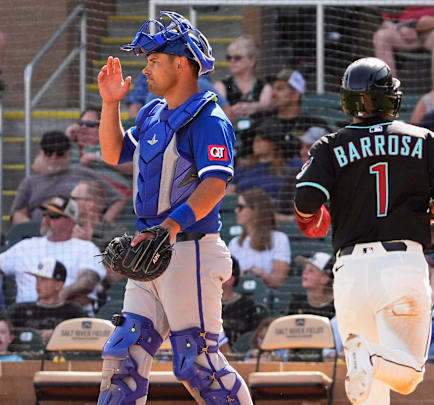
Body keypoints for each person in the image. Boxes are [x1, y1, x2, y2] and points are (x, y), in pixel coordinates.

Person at [95, 11, 252, 404]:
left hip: (190, 249)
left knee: (198, 364)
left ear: (181, 64)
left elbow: (215, 184)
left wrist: (170, 226)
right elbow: (113, 152)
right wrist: (110, 104)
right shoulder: (151, 113)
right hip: (150, 249)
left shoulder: (208, 119)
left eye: (154, 61)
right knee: (122, 357)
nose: (145, 70)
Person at [294, 57, 434, 405]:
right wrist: (429, 213)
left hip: (351, 271)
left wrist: (316, 216)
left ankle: (367, 356)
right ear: (392, 98)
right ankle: (369, 355)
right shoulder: (423, 138)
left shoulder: (330, 144)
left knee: (370, 394)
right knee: (408, 372)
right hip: (401, 265)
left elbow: (306, 201)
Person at [0, 196, 105, 313]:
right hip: (24, 319)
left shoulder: (86, 248)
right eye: (45, 214)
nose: (46, 219)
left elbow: (88, 280)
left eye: (54, 216)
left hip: (68, 317)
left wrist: (59, 296)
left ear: (71, 221)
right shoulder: (25, 246)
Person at [11, 131, 125, 224]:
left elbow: (118, 199)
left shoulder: (84, 174)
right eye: (49, 152)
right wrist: (31, 231)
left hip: (78, 236)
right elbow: (18, 213)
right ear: (42, 154)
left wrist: (101, 226)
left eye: (60, 153)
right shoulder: (30, 182)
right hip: (39, 237)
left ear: (69, 154)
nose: (54, 157)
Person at [373, 7, 434, 90]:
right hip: (407, 32)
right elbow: (386, 20)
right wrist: (399, 28)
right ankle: (391, 96)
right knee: (381, 37)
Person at [4, 258, 87, 343]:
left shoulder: (73, 310)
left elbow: (87, 334)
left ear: (58, 285)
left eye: (44, 279)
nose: (38, 283)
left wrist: (57, 334)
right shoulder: (19, 310)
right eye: (37, 278)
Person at [230, 119, 300, 217]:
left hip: (276, 218)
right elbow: (228, 193)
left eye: (262, 138)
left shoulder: (290, 167)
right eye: (255, 138)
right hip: (244, 214)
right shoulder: (243, 168)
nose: (256, 141)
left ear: (274, 144)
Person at [228, 188, 291, 289]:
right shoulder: (234, 243)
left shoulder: (279, 239)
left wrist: (261, 274)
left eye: (240, 207)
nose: (236, 211)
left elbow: (278, 282)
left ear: (255, 210)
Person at [64, 107, 133, 197]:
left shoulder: (114, 145)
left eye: (90, 124)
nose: (83, 127)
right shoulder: (69, 148)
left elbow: (132, 168)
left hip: (112, 197)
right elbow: (40, 168)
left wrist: (98, 157)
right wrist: (65, 139)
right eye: (81, 124)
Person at [213, 35, 272, 123]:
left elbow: (268, 106)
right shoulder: (221, 86)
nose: (232, 61)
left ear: (252, 61)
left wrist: (255, 107)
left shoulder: (264, 87)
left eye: (237, 58)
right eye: (229, 58)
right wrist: (231, 110)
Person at [124, 71, 228, 120]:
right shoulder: (149, 73)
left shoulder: (200, 81)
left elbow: (226, 111)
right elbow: (135, 107)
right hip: (157, 130)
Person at [220, 257, 265, 352]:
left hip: (239, 358)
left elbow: (253, 338)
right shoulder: (206, 304)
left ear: (230, 280)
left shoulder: (247, 305)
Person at [70, 180, 128, 249]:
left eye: (73, 199)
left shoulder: (117, 234)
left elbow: (122, 258)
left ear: (89, 204)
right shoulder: (66, 227)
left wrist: (88, 243)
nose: (69, 202)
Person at [289, 252, 336, 319]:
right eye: (305, 268)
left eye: (311, 270)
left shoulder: (336, 306)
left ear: (324, 278)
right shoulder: (297, 303)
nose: (304, 272)